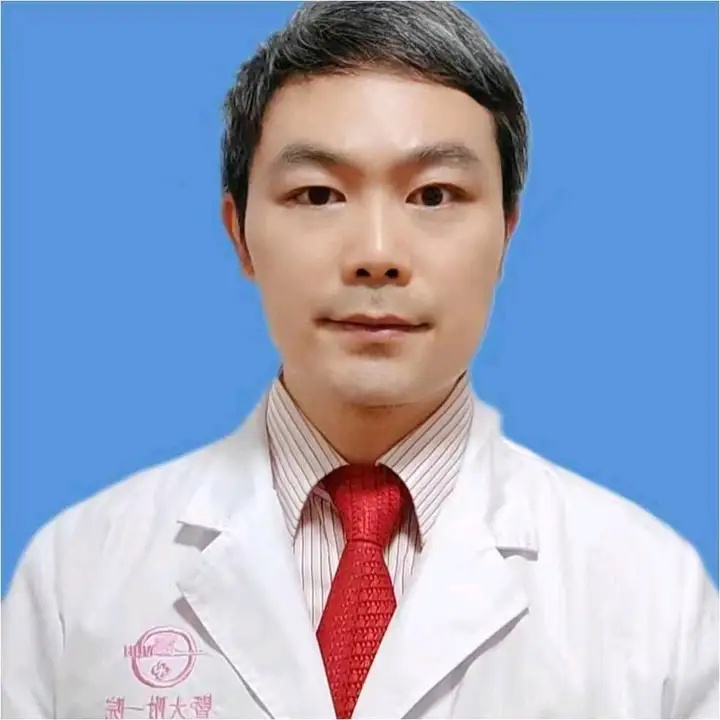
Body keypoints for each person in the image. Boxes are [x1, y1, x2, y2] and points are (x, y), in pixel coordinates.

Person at [2, 2, 717, 718]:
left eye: (433, 195)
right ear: (239, 233)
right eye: (319, 194)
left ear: (506, 233)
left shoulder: (654, 596)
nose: (377, 254)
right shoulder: (76, 576)